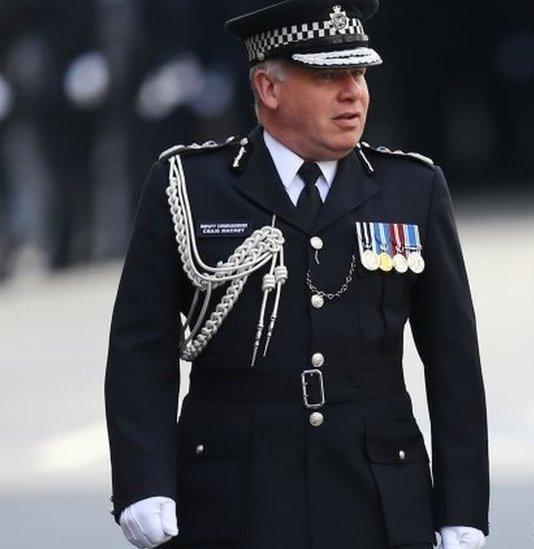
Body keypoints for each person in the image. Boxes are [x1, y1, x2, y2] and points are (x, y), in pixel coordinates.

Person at [104, 1, 489, 548]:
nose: (353, 92)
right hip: (235, 497)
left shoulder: (413, 188)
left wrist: (463, 508)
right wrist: (143, 481)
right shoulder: (189, 185)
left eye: (358, 73)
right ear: (268, 88)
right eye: (328, 76)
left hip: (376, 495)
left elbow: (453, 362)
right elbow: (141, 346)